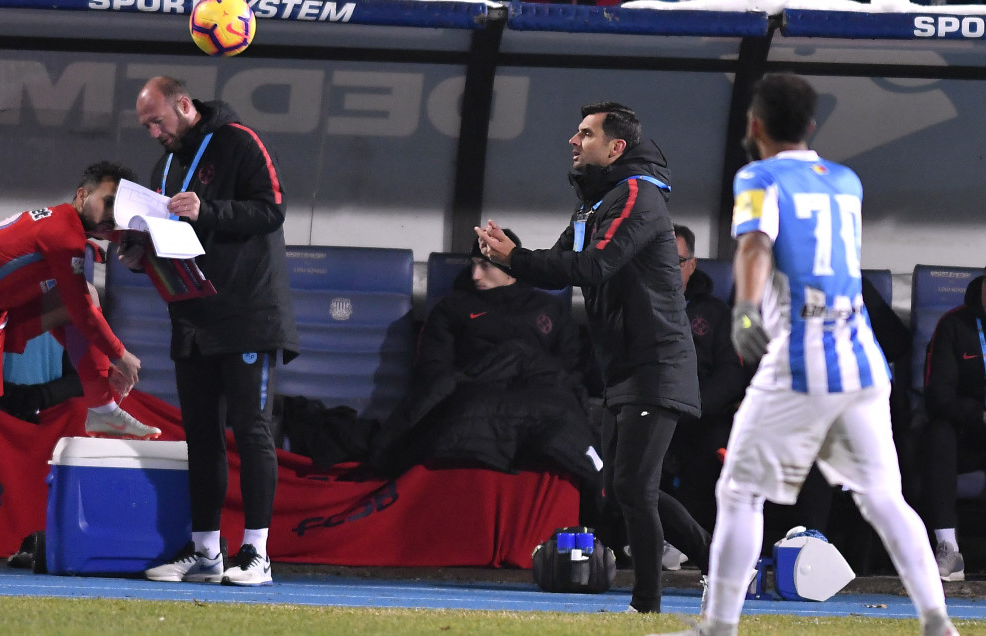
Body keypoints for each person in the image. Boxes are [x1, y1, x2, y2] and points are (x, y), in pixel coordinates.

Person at [655, 73, 957, 636]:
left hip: (803, 353)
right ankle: (938, 622)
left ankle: (717, 627)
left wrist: (745, 309)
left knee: (740, 491)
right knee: (884, 498)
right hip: (861, 358)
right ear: (812, 126)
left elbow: (752, 245)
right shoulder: (845, 181)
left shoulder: (759, 176)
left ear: (755, 124)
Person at [475, 102, 709, 613]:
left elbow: (596, 264)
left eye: (584, 133)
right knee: (620, 487)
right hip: (622, 368)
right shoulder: (592, 204)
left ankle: (646, 604)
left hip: (657, 363)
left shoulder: (636, 194)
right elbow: (562, 265)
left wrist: (516, 260)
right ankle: (718, 561)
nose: (572, 141)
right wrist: (509, 255)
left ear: (615, 147)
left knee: (633, 486)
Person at [0, 161, 153, 573]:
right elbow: (83, 317)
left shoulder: (67, 224)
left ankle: (101, 409)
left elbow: (79, 309)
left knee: (83, 293)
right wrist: (121, 354)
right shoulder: (63, 235)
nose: (112, 215)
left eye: (119, 208)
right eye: (108, 202)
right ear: (82, 196)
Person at [132, 76, 299, 587]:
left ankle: (257, 553)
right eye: (146, 126)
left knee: (252, 431)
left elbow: (272, 209)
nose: (154, 132)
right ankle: (206, 551)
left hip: (247, 313)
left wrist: (210, 211)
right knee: (201, 438)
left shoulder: (238, 141)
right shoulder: (166, 165)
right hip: (192, 317)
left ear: (184, 105)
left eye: (157, 120)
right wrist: (140, 249)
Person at [368, 230, 603, 501]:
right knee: (466, 416)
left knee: (564, 417)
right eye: (473, 265)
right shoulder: (453, 308)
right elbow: (433, 369)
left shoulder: (549, 310)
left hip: (542, 393)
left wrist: (523, 361)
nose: (475, 275)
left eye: (485, 265)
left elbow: (570, 369)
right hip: (475, 391)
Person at [665, 225, 747, 531]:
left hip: (701, 412)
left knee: (711, 450)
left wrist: (691, 405)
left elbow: (731, 373)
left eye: (675, 261)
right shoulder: (637, 305)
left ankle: (695, 540)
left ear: (692, 264)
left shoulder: (717, 314)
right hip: (652, 408)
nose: (666, 268)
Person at [921, 271, 986, 582]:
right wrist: (979, 414)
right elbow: (938, 395)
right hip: (965, 432)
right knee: (938, 432)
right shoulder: (954, 324)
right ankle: (948, 548)